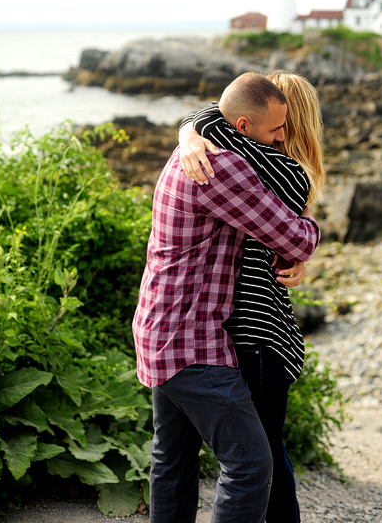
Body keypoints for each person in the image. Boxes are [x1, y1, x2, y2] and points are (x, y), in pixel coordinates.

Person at [132, 72, 322, 523]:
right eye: (276, 129)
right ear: (242, 126)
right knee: (253, 463)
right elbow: (295, 238)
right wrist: (310, 230)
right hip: (192, 341)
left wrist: (191, 128)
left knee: (172, 461)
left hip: (159, 330)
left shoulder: (191, 150)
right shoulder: (222, 167)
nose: (282, 138)